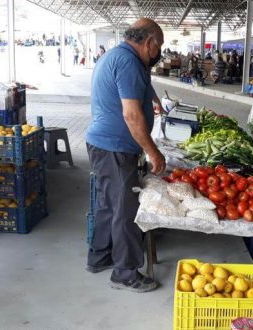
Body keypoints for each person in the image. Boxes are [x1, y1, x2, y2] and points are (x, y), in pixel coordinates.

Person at [85, 18, 165, 293]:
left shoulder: (117, 56)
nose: (157, 55)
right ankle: (125, 272)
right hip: (116, 147)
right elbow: (131, 115)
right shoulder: (130, 62)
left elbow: (132, 89)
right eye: (158, 48)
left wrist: (151, 96)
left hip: (102, 144)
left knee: (109, 204)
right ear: (150, 42)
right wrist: (153, 152)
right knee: (126, 210)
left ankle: (99, 256)